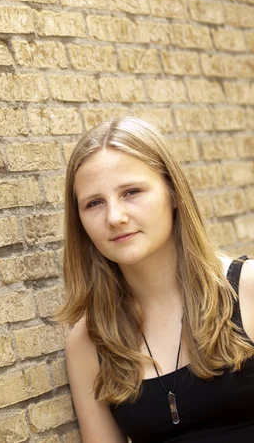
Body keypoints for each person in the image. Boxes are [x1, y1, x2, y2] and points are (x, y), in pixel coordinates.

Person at [56, 116, 254, 443]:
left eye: (131, 192)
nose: (115, 217)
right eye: (94, 203)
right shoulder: (89, 343)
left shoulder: (248, 289)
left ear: (173, 193)